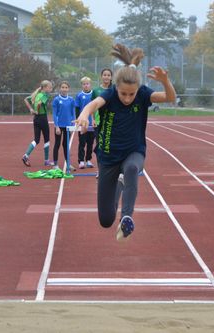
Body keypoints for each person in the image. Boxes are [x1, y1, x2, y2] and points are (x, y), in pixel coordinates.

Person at [74, 44, 176, 240]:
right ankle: (120, 185)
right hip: (108, 156)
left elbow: (170, 97)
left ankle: (127, 216)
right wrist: (85, 114)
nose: (128, 98)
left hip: (134, 151)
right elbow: (93, 104)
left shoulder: (144, 94)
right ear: (116, 88)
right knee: (105, 220)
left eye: (132, 94)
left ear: (138, 89)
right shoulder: (110, 94)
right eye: (124, 94)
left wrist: (165, 81)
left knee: (131, 169)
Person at [22, 80, 53, 167]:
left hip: (35, 119)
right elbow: (39, 104)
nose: (51, 89)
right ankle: (46, 161)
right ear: (45, 87)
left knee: (36, 139)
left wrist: (31, 110)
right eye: (50, 87)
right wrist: (37, 110)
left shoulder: (36, 94)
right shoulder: (45, 95)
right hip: (42, 118)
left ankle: (26, 155)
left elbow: (25, 99)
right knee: (47, 139)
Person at [92, 68, 113, 179]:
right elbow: (93, 106)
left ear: (111, 77)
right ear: (101, 76)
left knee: (111, 146)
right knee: (100, 147)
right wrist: (93, 119)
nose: (106, 77)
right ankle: (100, 170)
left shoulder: (115, 89)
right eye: (104, 74)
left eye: (108, 75)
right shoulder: (96, 91)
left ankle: (113, 169)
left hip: (112, 122)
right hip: (99, 123)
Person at [52, 81, 76, 170]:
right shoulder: (56, 100)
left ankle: (68, 164)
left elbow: (73, 113)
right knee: (57, 144)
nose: (64, 89)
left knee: (66, 145)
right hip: (59, 126)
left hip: (68, 126)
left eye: (66, 87)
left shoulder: (71, 100)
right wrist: (56, 126)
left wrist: (73, 125)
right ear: (60, 88)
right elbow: (54, 114)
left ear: (68, 89)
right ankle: (55, 164)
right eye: (62, 87)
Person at [75, 77, 95, 169]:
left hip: (92, 123)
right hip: (82, 123)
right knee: (82, 143)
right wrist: (78, 120)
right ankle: (81, 161)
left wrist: (95, 120)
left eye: (87, 84)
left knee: (90, 143)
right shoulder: (79, 95)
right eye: (84, 84)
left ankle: (88, 160)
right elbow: (77, 109)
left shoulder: (94, 94)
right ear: (82, 85)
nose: (86, 85)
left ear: (90, 84)